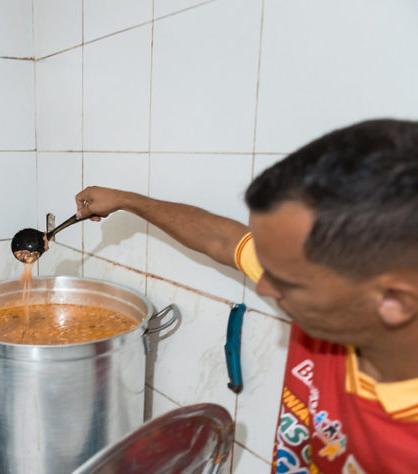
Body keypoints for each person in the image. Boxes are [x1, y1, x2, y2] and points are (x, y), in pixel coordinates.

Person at [74, 119, 418, 473]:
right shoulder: (343, 299)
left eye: (284, 280)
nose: (265, 287)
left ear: (395, 302)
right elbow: (221, 240)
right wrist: (125, 200)